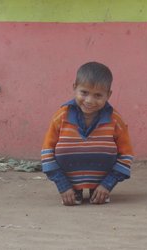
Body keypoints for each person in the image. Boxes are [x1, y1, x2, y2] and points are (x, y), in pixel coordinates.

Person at [41, 62, 133, 205]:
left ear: (108, 95)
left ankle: (97, 190)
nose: (89, 101)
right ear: (74, 88)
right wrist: (63, 185)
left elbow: (126, 155)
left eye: (98, 95)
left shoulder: (115, 120)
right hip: (67, 182)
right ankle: (74, 190)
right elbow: (47, 153)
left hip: (103, 181)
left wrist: (107, 184)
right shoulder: (61, 117)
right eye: (84, 92)